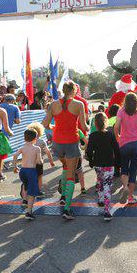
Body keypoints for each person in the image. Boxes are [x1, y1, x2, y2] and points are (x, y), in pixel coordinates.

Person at [43, 81, 88, 220]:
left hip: (57, 143)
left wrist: (54, 128)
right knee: (70, 176)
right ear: (74, 91)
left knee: (65, 166)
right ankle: (67, 209)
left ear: (63, 90)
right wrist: (89, 128)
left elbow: (45, 124)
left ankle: (63, 196)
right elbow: (84, 126)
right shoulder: (79, 104)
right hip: (71, 142)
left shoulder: (53, 104)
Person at [85, 112, 120, 221]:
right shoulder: (110, 135)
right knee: (107, 186)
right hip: (109, 164)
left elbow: (89, 151)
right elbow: (116, 149)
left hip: (98, 164)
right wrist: (118, 163)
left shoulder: (93, 136)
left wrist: (91, 161)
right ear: (106, 122)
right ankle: (107, 211)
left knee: (100, 180)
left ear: (95, 124)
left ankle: (100, 199)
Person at [12, 129, 43, 220]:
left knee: (25, 185)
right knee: (32, 193)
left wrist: (15, 167)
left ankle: (24, 200)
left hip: (23, 171)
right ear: (35, 139)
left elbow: (15, 156)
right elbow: (39, 161)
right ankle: (29, 212)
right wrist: (41, 161)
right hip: (31, 171)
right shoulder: (37, 148)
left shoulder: (22, 148)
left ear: (24, 138)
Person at [26, 122, 54, 197]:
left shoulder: (27, 142)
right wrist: (51, 161)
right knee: (39, 177)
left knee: (30, 177)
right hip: (39, 162)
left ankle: (29, 191)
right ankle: (38, 191)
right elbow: (48, 152)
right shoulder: (42, 141)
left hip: (29, 162)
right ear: (40, 131)